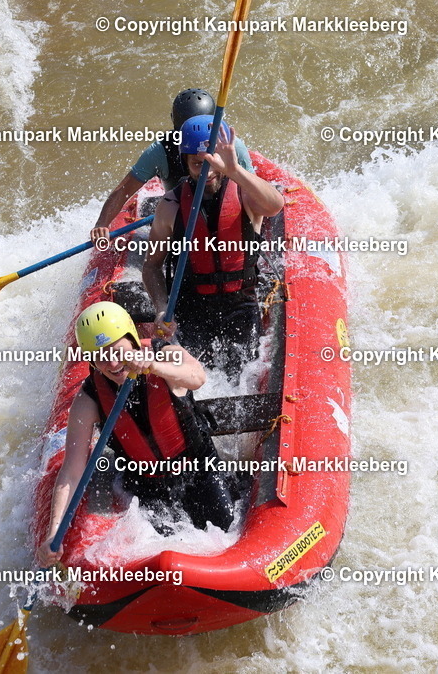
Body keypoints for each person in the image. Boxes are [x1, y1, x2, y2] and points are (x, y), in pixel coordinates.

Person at [38, 301, 237, 567]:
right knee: (162, 551)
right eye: (100, 355)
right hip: (147, 485)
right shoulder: (89, 399)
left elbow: (196, 377)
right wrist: (54, 532)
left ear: (132, 339)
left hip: (199, 470)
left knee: (228, 532)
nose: (111, 362)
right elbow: (72, 471)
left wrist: (154, 367)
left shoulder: (163, 353)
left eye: (116, 349)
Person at [142, 115, 284, 379]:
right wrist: (161, 307)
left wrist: (234, 170)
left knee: (242, 377)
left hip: (240, 304)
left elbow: (275, 205)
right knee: (197, 380)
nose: (207, 171)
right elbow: (151, 266)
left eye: (212, 162)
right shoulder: (170, 206)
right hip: (191, 308)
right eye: (198, 164)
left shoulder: (244, 193)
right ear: (185, 163)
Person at [89, 88, 254, 242]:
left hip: (225, 210)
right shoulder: (160, 151)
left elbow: (252, 187)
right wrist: (102, 224)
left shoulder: (231, 146)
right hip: (181, 215)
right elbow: (125, 190)